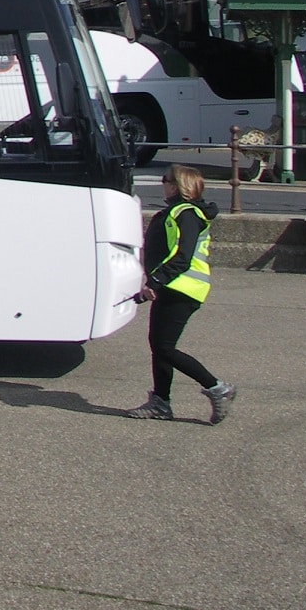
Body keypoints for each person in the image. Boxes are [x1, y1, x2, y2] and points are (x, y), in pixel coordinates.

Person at [126, 164, 236, 423]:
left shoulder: (186, 213)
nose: (162, 183)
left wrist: (155, 283)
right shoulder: (178, 212)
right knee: (160, 346)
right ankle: (160, 403)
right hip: (173, 286)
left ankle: (217, 388)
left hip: (182, 287)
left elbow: (182, 257)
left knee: (164, 347)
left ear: (176, 185)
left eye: (165, 179)